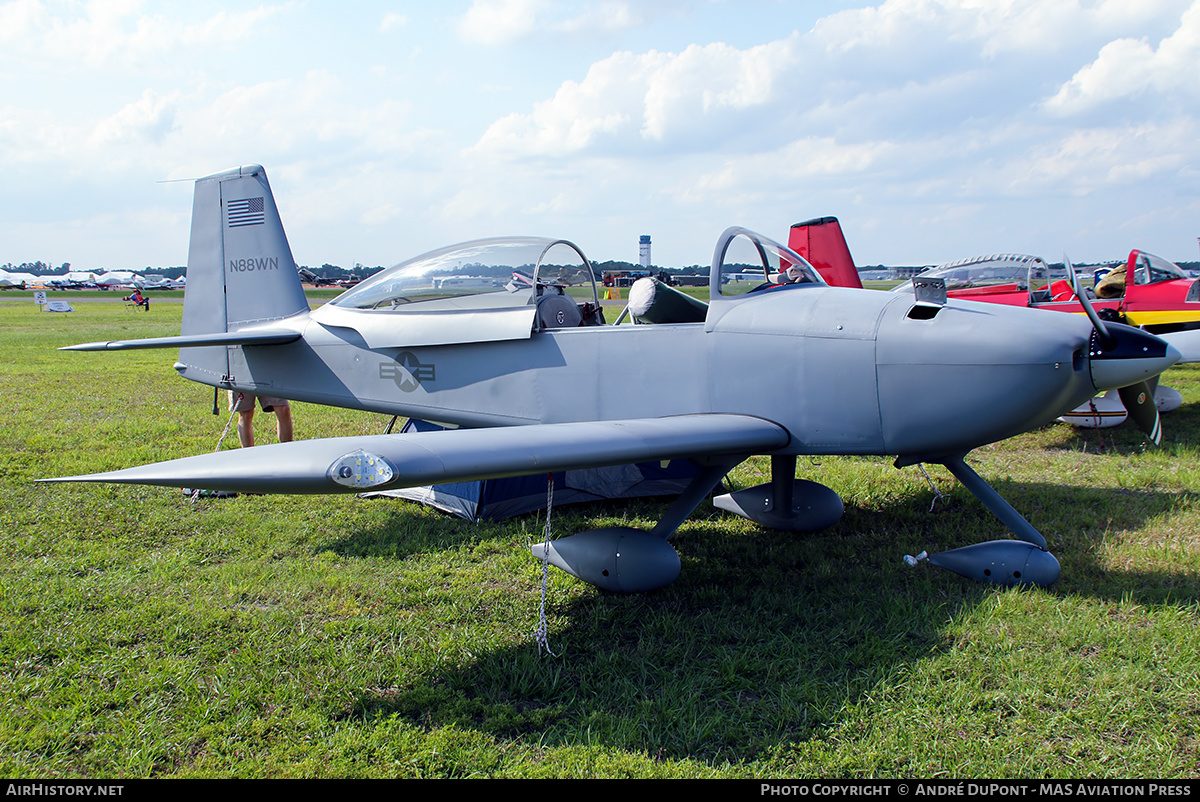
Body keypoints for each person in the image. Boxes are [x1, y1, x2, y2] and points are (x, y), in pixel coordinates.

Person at [229, 391, 293, 448]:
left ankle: (286, 451)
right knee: (246, 414)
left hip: (270, 377)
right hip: (243, 378)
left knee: (283, 409)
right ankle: (249, 454)